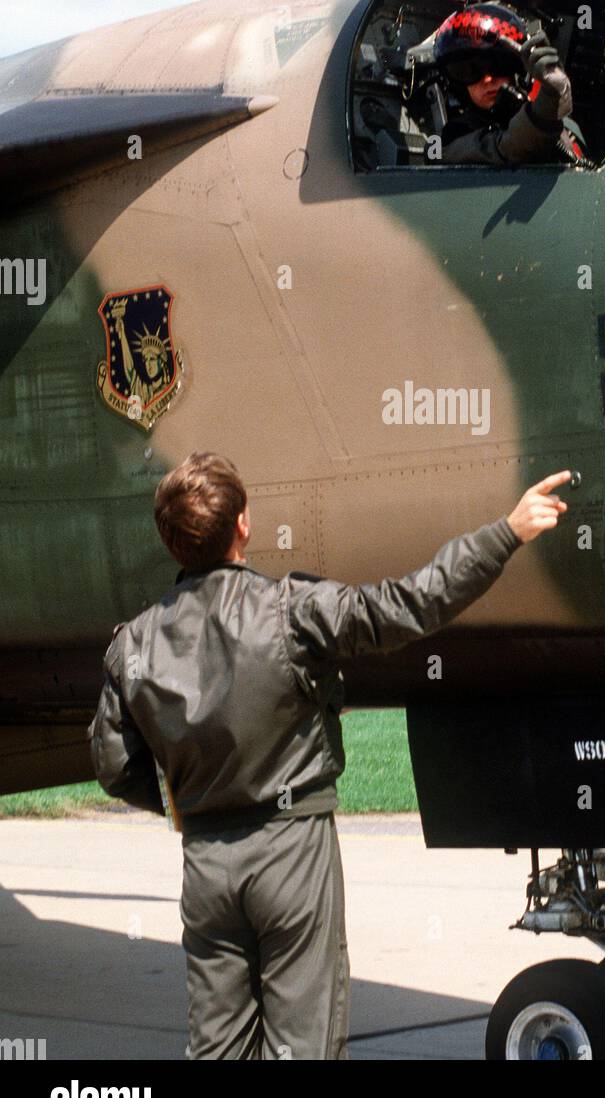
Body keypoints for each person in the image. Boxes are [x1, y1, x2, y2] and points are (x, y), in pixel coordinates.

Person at [88, 452, 571, 1060]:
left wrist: (188, 798)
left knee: (216, 1049)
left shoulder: (133, 644)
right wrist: (507, 534)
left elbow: (113, 765)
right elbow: (408, 605)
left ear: (171, 541)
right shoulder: (292, 612)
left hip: (206, 861)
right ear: (242, 524)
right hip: (290, 848)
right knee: (304, 1047)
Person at [431, 1, 584, 166]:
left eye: (498, 65)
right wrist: (545, 110)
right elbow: (507, 148)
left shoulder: (564, 125)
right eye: (468, 70)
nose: (488, 79)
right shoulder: (446, 143)